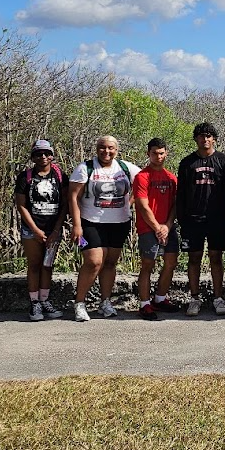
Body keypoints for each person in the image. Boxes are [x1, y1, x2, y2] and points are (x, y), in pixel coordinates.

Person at [69, 135, 141, 322]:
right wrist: (76, 225)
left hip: (119, 222)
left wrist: (129, 202)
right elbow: (73, 197)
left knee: (110, 263)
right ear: (97, 148)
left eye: (111, 148)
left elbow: (144, 183)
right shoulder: (85, 168)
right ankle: (79, 303)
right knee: (94, 262)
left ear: (117, 150)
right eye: (102, 147)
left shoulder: (125, 168)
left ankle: (105, 301)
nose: (106, 151)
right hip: (91, 221)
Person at [176, 122, 225, 316]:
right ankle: (194, 298)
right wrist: (182, 220)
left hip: (217, 219)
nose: (205, 139)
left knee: (216, 258)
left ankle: (218, 298)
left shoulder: (224, 161)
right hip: (193, 219)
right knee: (193, 258)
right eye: (201, 136)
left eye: (209, 136)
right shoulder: (187, 163)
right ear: (196, 139)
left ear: (214, 139)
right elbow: (181, 194)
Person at [14, 139, 66, 322]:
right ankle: (34, 302)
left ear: (52, 155)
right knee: (35, 264)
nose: (43, 157)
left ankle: (45, 300)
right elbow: (21, 206)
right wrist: (35, 229)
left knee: (47, 265)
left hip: (53, 229)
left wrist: (57, 229)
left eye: (46, 153)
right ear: (33, 157)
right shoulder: (25, 177)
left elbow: (65, 204)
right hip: (31, 229)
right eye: (38, 154)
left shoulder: (60, 175)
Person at [133, 138, 179, 320]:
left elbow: (175, 205)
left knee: (171, 262)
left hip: (168, 227)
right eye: (154, 153)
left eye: (161, 153)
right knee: (147, 265)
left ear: (166, 153)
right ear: (148, 154)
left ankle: (160, 299)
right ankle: (144, 304)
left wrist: (167, 226)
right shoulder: (142, 177)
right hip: (147, 227)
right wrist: (157, 228)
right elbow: (143, 206)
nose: (158, 157)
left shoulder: (171, 178)